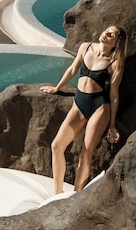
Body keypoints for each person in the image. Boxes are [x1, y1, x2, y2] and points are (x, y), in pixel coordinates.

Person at [40, 25, 127, 194]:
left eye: (111, 35)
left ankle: (77, 195)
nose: (105, 34)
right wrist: (57, 87)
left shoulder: (114, 63)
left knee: (85, 154)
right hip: (79, 103)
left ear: (116, 43)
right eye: (106, 31)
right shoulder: (85, 47)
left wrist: (112, 124)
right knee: (56, 146)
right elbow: (72, 69)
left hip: (99, 107)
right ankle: (57, 193)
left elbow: (114, 94)